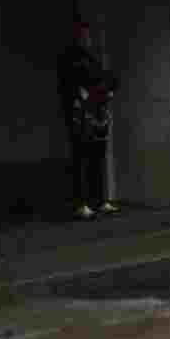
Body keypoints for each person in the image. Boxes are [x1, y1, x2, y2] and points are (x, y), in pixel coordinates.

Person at [58, 19, 119, 219]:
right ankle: (81, 204)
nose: (87, 39)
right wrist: (82, 97)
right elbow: (70, 86)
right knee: (81, 160)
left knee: (97, 159)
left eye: (88, 36)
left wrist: (107, 90)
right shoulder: (69, 59)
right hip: (80, 116)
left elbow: (108, 79)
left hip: (96, 115)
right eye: (83, 36)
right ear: (76, 37)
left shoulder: (93, 59)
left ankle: (99, 201)